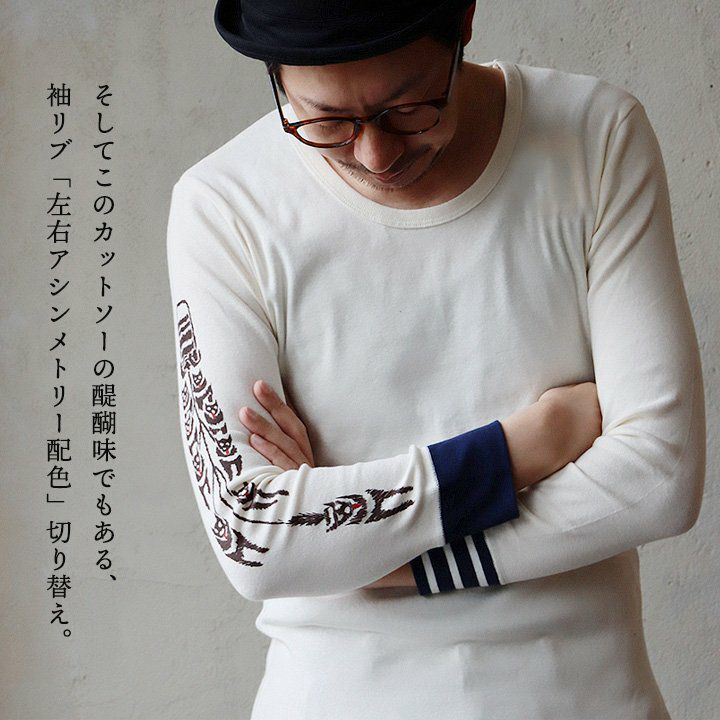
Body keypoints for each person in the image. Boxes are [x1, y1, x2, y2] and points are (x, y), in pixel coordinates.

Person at [165, 1, 706, 718]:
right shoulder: (223, 205)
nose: (374, 155)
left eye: (409, 109)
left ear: (466, 20)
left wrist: (373, 558)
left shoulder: (594, 135)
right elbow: (254, 537)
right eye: (326, 121)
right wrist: (525, 447)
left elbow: (660, 477)